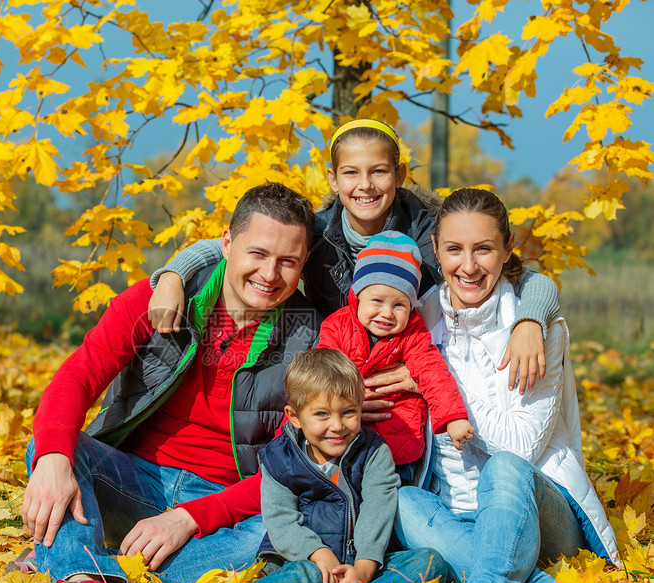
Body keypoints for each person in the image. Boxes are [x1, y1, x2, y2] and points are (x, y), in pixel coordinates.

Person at [20, 182, 323, 583]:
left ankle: (88, 558)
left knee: (284, 531)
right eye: (257, 254)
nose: (269, 274)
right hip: (132, 478)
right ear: (226, 243)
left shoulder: (314, 340)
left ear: (304, 262)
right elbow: (78, 376)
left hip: (223, 506)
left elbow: (289, 464)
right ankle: (84, 574)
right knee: (53, 446)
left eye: (287, 261)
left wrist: (187, 519)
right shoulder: (160, 297)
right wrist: (55, 459)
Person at [148, 119, 561, 422]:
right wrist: (172, 275)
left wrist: (529, 319)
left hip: (421, 367)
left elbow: (524, 274)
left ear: (399, 175)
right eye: (351, 173)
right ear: (333, 179)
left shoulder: (430, 230)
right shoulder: (321, 232)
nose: (365, 185)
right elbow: (239, 247)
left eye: (379, 171)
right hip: (345, 372)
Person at [393, 188, 620, 583]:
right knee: (399, 500)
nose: (469, 266)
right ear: (435, 249)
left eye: (484, 249)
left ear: (507, 248)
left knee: (505, 469)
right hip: (452, 510)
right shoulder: (415, 318)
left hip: (538, 507)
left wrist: (436, 380)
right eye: (455, 249)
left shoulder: (536, 327)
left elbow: (520, 447)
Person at [187, 348, 445, 583]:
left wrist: (364, 569)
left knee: (429, 561)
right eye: (322, 414)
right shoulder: (280, 458)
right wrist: (318, 554)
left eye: (348, 412)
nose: (337, 426)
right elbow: (281, 520)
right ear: (294, 416)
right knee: (303, 576)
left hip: (361, 565)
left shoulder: (372, 452)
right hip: (304, 561)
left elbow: (378, 507)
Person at [317, 231, 473, 478]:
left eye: (399, 305)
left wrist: (453, 418)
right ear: (358, 296)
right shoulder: (337, 327)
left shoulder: (413, 334)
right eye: (377, 301)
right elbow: (321, 375)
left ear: (411, 307)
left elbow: (434, 374)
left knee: (392, 500)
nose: (387, 313)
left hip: (397, 445)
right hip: (346, 441)